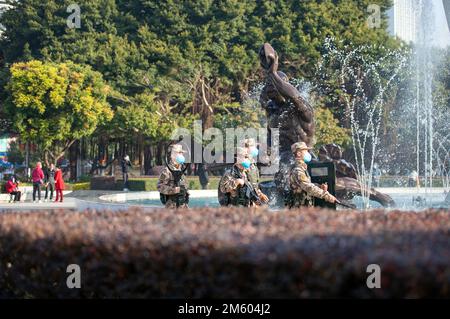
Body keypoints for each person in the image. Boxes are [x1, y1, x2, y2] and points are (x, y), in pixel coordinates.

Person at [286, 142, 336, 208]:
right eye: (306, 151)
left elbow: (303, 185)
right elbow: (308, 187)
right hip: (299, 209)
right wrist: (326, 195)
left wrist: (318, 186)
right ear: (298, 153)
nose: (308, 153)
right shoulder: (298, 170)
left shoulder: (301, 168)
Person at [157, 144, 189, 208]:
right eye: (179, 153)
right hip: (172, 206)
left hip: (183, 205)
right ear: (173, 155)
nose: (182, 155)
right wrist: (173, 190)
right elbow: (160, 186)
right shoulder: (167, 170)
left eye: (182, 153)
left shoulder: (182, 169)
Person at [242, 138, 269, 203]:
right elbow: (246, 184)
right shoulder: (244, 163)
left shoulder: (253, 162)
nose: (255, 148)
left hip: (253, 196)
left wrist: (259, 193)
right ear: (246, 148)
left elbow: (254, 183)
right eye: (253, 146)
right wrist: (259, 194)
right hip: (247, 198)